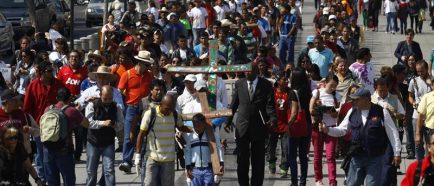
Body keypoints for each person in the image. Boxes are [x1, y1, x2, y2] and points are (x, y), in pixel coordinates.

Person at [321, 88, 402, 186]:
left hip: (375, 158)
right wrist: (328, 130)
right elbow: (342, 130)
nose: (353, 101)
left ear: (366, 99)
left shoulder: (381, 111)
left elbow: (393, 133)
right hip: (356, 157)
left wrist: (397, 153)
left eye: (356, 99)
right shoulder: (352, 111)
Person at [225, 63, 277, 186]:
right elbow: (234, 104)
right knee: (242, 160)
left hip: (259, 127)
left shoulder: (266, 85)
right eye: (246, 71)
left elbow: (270, 105)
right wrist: (228, 121)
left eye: (250, 70)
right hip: (242, 127)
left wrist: (273, 119)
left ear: (256, 71)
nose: (247, 73)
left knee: (258, 162)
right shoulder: (239, 84)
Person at [24, 61, 65, 183]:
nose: (51, 72)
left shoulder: (58, 84)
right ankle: (43, 179)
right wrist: (32, 125)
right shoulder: (33, 85)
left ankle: (52, 178)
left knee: (55, 154)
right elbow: (26, 107)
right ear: (41, 72)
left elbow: (66, 99)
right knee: (42, 155)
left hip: (57, 125)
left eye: (52, 70)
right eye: (48, 71)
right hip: (40, 126)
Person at [42, 87, 89, 186]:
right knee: (68, 179)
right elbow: (87, 124)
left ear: (56, 97)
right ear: (70, 98)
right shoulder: (71, 110)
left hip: (48, 148)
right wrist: (77, 111)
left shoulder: (48, 109)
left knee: (52, 181)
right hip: (64, 150)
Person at [134, 95, 185, 186]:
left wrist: (194, 129)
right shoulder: (150, 114)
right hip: (152, 157)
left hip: (169, 159)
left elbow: (181, 127)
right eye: (166, 109)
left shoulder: (174, 114)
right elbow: (141, 135)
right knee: (149, 183)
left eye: (171, 109)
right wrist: (137, 156)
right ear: (161, 104)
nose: (168, 111)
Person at [118, 50, 154, 173]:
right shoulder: (127, 74)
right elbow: (120, 90)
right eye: (146, 64)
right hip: (131, 107)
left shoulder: (149, 75)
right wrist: (128, 101)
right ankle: (126, 161)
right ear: (140, 63)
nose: (148, 67)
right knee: (129, 135)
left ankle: (143, 158)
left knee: (145, 133)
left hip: (145, 107)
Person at [85, 85, 124, 186]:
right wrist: (103, 123)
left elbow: (121, 124)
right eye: (105, 98)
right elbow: (88, 123)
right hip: (93, 142)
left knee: (109, 170)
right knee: (91, 171)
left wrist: (115, 125)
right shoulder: (92, 105)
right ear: (100, 95)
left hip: (108, 143)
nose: (108, 101)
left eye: (110, 98)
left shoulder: (116, 107)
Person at [371, 78, 405, 186]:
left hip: (390, 135)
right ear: (376, 88)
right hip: (375, 136)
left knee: (390, 165)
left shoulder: (394, 99)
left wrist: (394, 114)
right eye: (380, 91)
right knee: (377, 166)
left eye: (385, 90)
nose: (382, 93)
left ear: (388, 88)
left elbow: (402, 115)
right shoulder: (371, 99)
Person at [309, 74, 341, 186]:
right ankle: (318, 179)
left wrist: (332, 112)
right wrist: (317, 110)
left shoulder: (337, 95)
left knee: (330, 156)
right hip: (318, 127)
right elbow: (311, 108)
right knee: (317, 155)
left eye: (335, 86)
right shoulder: (317, 92)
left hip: (331, 128)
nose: (332, 88)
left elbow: (337, 113)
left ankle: (332, 181)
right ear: (325, 83)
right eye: (331, 85)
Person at [184, 113, 225, 186]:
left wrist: (221, 162)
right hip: (195, 170)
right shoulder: (191, 137)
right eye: (195, 126)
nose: (197, 128)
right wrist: (188, 166)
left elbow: (219, 148)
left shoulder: (212, 135)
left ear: (204, 124)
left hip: (208, 170)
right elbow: (188, 152)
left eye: (199, 126)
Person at [287, 68, 312, 186]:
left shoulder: (294, 92)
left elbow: (294, 113)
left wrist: (287, 126)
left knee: (292, 156)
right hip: (307, 125)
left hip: (296, 126)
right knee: (303, 156)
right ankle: (303, 182)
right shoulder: (307, 91)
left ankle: (294, 182)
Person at [267, 74, 290, 177]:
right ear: (278, 81)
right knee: (271, 147)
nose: (286, 81)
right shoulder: (272, 92)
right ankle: (271, 163)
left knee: (286, 147)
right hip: (273, 124)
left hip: (286, 125)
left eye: (287, 80)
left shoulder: (289, 92)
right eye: (284, 79)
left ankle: (284, 167)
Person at [409, 60, 432, 160]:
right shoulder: (414, 81)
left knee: (429, 143)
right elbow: (410, 96)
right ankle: (419, 164)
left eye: (422, 71)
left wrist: (431, 83)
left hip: (429, 117)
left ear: (427, 69)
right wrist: (413, 102)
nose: (420, 73)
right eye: (418, 71)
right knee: (418, 142)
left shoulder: (432, 81)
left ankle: (429, 165)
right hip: (416, 115)